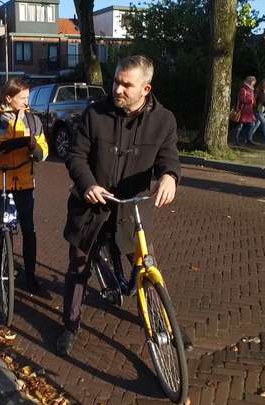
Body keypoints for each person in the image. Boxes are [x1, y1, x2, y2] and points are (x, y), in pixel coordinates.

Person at [57, 55, 180, 356]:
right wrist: (88, 185)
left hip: (132, 209)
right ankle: (70, 325)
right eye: (116, 81)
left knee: (142, 265)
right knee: (79, 266)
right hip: (93, 207)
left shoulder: (163, 120)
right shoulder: (94, 114)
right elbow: (76, 155)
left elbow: (169, 157)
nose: (118, 89)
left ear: (146, 89)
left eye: (127, 85)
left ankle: (161, 322)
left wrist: (169, 177)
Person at [0, 77, 49, 296]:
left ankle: (31, 276)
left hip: (24, 181)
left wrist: (34, 147)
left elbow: (44, 154)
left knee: (29, 229)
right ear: (9, 98)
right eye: (23, 98)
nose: (27, 102)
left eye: (28, 97)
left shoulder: (33, 121)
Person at [232, 75, 257, 146]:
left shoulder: (251, 89)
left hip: (249, 111)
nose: (254, 83)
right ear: (250, 81)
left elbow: (252, 99)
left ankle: (248, 139)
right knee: (240, 125)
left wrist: (254, 102)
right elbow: (242, 99)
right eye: (253, 82)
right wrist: (250, 101)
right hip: (243, 110)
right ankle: (236, 140)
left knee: (252, 124)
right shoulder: (243, 89)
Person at [249, 79, 265, 144]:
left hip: (263, 111)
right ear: (262, 84)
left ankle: (248, 138)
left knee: (256, 125)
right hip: (258, 110)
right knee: (264, 123)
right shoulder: (258, 91)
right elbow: (254, 101)